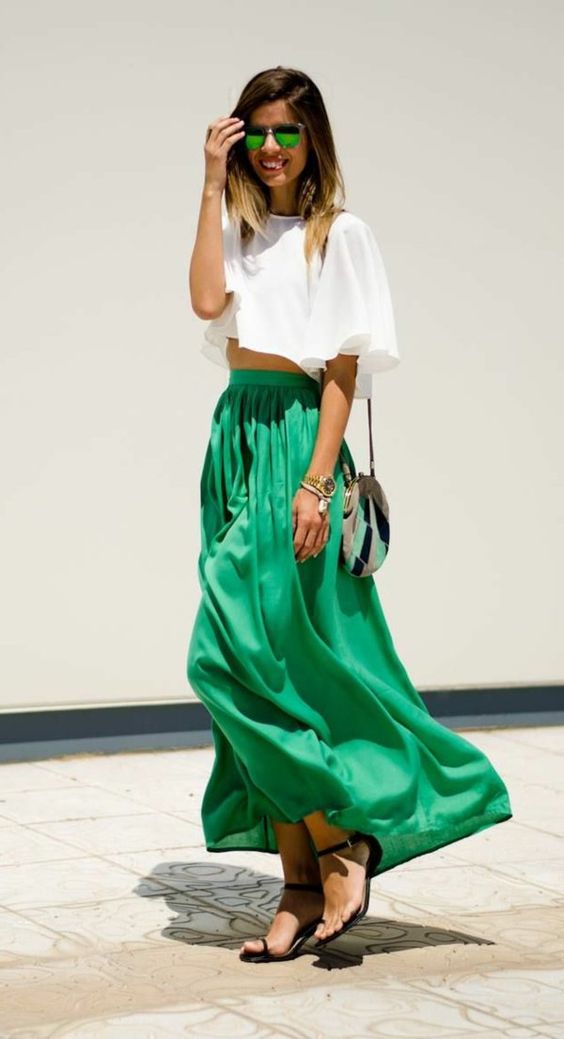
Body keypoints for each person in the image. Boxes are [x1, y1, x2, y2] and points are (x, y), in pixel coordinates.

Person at [186, 66, 512, 964]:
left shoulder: (342, 234)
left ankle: (336, 846)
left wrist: (318, 483)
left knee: (242, 656)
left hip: (298, 441)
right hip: (236, 435)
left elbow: (341, 369)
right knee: (252, 661)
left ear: (314, 138)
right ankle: (304, 876)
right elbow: (208, 304)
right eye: (257, 132)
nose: (272, 147)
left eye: (287, 131)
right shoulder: (239, 228)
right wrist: (210, 185)